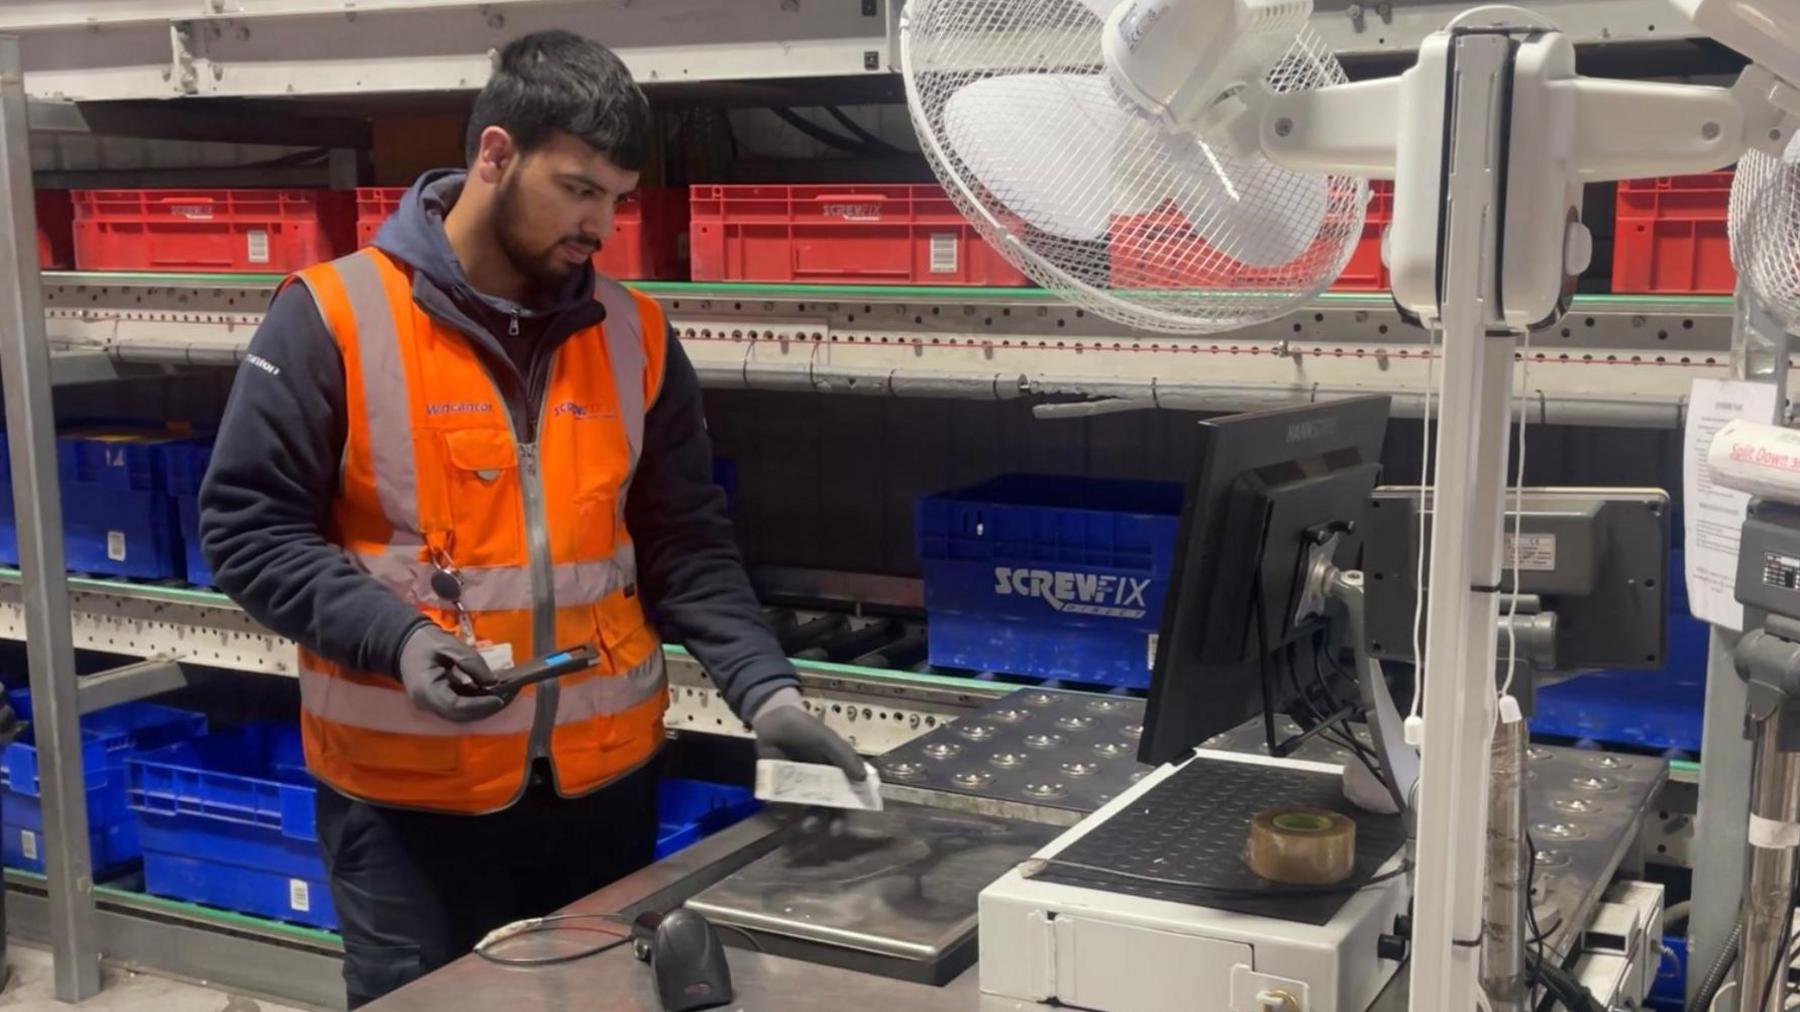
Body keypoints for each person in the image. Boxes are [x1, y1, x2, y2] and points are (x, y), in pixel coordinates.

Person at [198, 29, 863, 1007]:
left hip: (601, 796)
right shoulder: (334, 315)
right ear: (496, 155)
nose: (601, 225)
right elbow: (247, 531)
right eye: (579, 188)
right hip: (406, 810)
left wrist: (768, 696)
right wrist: (403, 641)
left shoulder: (633, 335)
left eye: (619, 199)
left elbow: (687, 543)